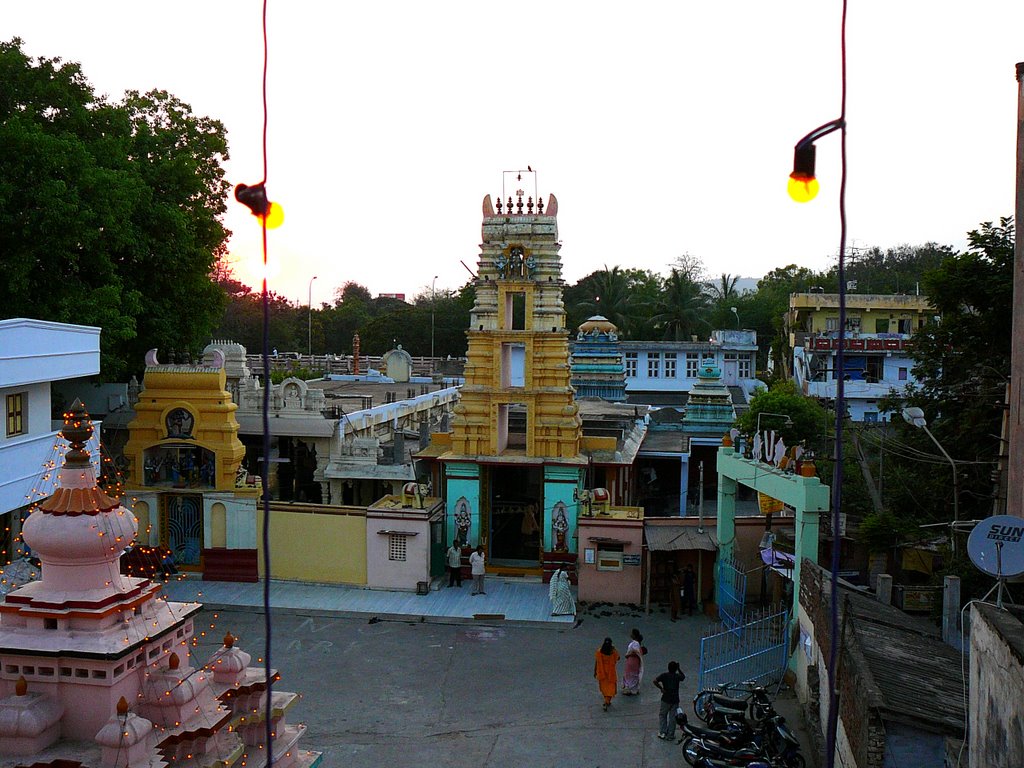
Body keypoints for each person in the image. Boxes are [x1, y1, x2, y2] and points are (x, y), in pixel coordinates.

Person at [653, 661, 686, 741]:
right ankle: (670, 735)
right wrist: (679, 668)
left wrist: (661, 688)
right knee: (672, 718)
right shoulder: (677, 676)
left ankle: (662, 732)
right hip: (675, 700)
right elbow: (683, 677)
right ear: (675, 669)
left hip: (665, 699)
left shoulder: (664, 675)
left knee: (663, 715)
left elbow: (655, 681)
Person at [594, 637, 620, 711]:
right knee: (611, 688)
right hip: (611, 673)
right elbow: (618, 658)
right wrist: (614, 649)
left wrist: (595, 671)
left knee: (604, 688)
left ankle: (606, 700)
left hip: (602, 673)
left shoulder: (599, 651)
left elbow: (597, 662)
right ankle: (607, 701)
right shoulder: (613, 652)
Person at [621, 628, 645, 695]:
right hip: (634, 661)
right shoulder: (636, 643)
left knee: (629, 674)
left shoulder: (635, 643)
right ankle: (633, 689)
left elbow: (635, 652)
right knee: (633, 674)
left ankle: (629, 688)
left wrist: (628, 655)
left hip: (632, 660)